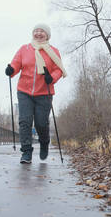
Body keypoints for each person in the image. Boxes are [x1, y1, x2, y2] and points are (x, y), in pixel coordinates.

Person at [5, 23, 66, 164]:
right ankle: (26, 152)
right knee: (24, 121)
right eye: (36, 31)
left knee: (41, 123)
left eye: (42, 31)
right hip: (24, 91)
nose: (38, 33)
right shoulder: (24, 49)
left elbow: (59, 69)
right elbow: (16, 64)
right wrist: (11, 70)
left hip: (44, 92)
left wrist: (52, 77)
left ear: (47, 35)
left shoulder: (53, 51)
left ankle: (44, 142)